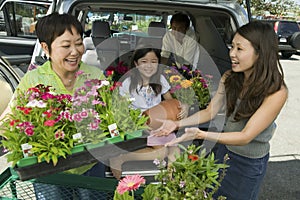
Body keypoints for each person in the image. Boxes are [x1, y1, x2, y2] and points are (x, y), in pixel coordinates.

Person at [152, 21, 288, 200]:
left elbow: (245, 136)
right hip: (224, 151)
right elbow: (209, 112)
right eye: (232, 47)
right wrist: (176, 123)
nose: (232, 53)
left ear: (260, 52)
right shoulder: (230, 77)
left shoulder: (276, 91)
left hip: (248, 163)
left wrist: (200, 134)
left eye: (240, 49)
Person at [0, 12, 106, 199]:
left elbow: (113, 117)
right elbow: (10, 117)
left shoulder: (95, 77)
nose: (75, 51)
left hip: (89, 164)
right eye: (66, 45)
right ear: (46, 48)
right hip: (48, 169)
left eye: (79, 43)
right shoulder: (34, 80)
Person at [109, 45, 188, 180]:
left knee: (175, 150)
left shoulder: (160, 80)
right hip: (140, 123)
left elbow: (170, 102)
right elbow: (120, 108)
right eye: (144, 62)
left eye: (154, 62)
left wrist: (183, 106)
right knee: (162, 151)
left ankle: (171, 182)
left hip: (159, 122)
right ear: (136, 64)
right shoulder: (128, 83)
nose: (149, 66)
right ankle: (121, 157)